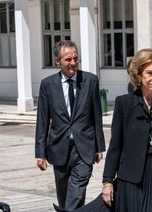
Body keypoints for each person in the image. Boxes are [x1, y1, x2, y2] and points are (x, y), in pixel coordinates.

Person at [102, 48, 152, 212]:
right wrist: (107, 181)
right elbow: (115, 145)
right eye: (150, 73)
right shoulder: (124, 103)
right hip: (132, 175)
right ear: (139, 74)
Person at [35, 40, 106, 211]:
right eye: (68, 59)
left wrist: (99, 147)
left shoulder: (90, 81)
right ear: (58, 61)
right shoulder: (47, 85)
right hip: (59, 148)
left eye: (76, 58)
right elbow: (43, 120)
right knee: (64, 195)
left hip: (84, 147)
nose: (73, 63)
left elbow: (97, 115)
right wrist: (40, 153)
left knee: (76, 192)